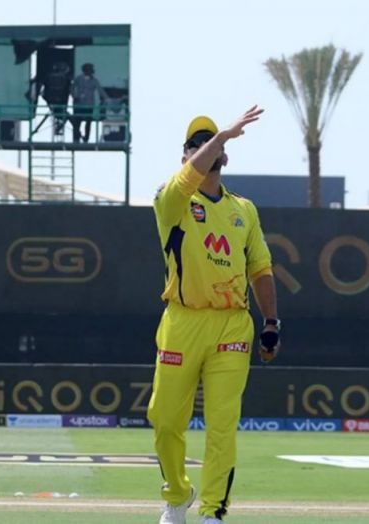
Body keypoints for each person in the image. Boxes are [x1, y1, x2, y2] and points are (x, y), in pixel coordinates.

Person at [147, 106, 281, 524]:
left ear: (225, 158)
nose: (204, 148)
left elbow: (260, 268)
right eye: (196, 143)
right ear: (184, 155)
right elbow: (186, 178)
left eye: (209, 143)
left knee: (222, 424)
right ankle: (177, 495)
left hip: (231, 324)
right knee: (165, 419)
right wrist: (220, 136)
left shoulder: (244, 209)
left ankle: (212, 512)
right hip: (182, 320)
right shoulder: (171, 201)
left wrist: (272, 323)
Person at [70, 62, 108, 143]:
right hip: (79, 104)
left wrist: (106, 99)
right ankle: (76, 139)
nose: (90, 72)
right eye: (89, 70)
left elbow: (100, 90)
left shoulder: (94, 80)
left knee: (88, 122)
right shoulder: (78, 78)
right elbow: (72, 88)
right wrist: (74, 96)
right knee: (77, 123)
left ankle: (86, 139)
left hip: (89, 105)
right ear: (85, 70)